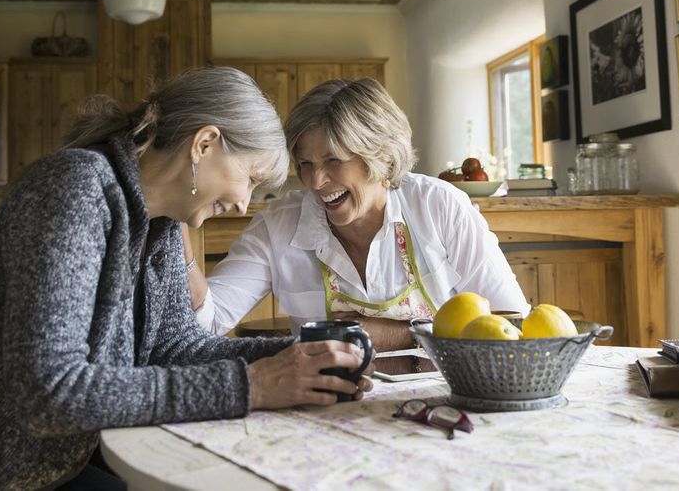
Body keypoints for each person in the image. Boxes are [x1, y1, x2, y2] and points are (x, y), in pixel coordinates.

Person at [0, 67, 372, 490]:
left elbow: (175, 346)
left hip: (37, 470)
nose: (243, 202)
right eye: (249, 179)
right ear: (203, 146)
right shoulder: (75, 190)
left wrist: (302, 359)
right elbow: (49, 394)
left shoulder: (156, 226)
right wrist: (254, 385)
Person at [191, 78, 530, 352]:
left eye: (333, 160)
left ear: (379, 155)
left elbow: (511, 319)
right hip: (330, 407)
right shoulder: (277, 226)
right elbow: (210, 319)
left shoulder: (439, 206)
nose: (316, 181)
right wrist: (178, 218)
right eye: (306, 164)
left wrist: (400, 333)